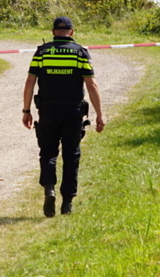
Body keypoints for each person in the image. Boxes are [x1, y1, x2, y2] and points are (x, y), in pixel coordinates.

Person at [22, 16, 105, 217]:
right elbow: (91, 85)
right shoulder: (80, 52)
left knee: (48, 152)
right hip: (72, 111)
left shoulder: (42, 52)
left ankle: (49, 188)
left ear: (53, 32)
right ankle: (67, 202)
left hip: (48, 111)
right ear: (72, 32)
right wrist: (100, 114)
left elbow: (30, 82)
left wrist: (26, 111)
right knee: (71, 155)